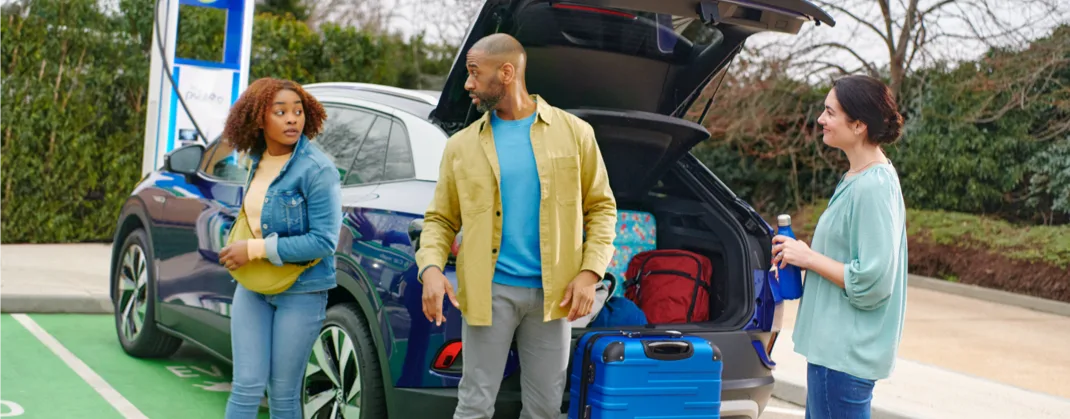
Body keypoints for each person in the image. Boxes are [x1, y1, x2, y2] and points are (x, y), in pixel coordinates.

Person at [415, 33, 618, 419]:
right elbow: (440, 219)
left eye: (475, 73)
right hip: (489, 291)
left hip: (554, 296)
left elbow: (602, 208)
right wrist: (431, 269)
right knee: (474, 404)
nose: (468, 84)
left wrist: (591, 273)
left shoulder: (574, 134)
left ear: (506, 72)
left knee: (544, 409)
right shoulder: (461, 146)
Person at [771, 74, 908, 419]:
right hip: (834, 353)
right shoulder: (856, 178)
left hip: (844, 356)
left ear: (859, 124)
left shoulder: (873, 186)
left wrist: (810, 258)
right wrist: (802, 257)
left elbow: (874, 281)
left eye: (830, 113)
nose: (821, 120)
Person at [216, 77, 342, 419]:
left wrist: (254, 249)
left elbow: (324, 241)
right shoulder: (256, 160)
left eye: (298, 111)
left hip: (301, 291)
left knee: (283, 394)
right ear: (259, 118)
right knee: (245, 386)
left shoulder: (317, 170)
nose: (292, 119)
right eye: (281, 111)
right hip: (253, 285)